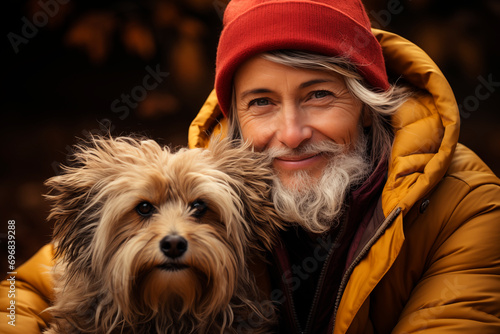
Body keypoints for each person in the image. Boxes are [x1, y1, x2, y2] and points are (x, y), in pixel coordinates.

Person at [2, 0, 500, 333]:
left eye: (319, 95)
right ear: (233, 117)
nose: (290, 133)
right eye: (262, 102)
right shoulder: (213, 176)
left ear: (369, 105)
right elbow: (23, 290)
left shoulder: (468, 207)